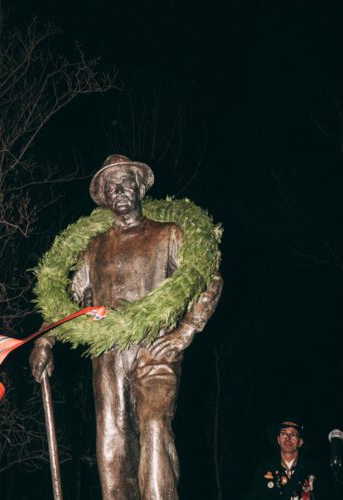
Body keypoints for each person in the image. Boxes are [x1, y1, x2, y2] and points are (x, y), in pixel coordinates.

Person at [30, 154, 223, 500]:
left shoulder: (169, 235)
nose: (119, 191)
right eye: (111, 186)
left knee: (153, 426)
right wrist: (45, 341)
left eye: (125, 183)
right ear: (104, 197)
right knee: (112, 446)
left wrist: (186, 331)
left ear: (139, 188)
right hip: (108, 358)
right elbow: (68, 302)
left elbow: (208, 279)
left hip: (155, 352)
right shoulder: (94, 248)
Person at [246, 418, 327, 499]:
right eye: (284, 433)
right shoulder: (265, 468)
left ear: (300, 442)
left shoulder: (314, 469)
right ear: (278, 440)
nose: (288, 438)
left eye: (293, 434)